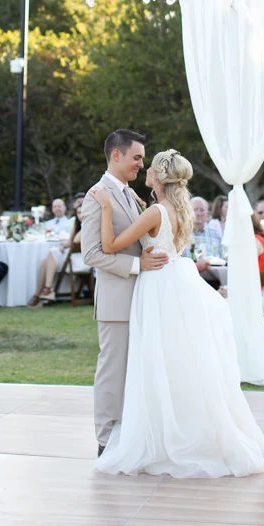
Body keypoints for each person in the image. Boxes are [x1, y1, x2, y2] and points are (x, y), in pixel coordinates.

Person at [90, 148, 264, 478]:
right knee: (178, 360)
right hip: (177, 283)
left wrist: (107, 207)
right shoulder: (174, 209)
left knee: (156, 359)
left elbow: (109, 245)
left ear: (160, 178)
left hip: (157, 288)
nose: (145, 170)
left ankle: (162, 434)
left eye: (150, 168)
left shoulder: (155, 212)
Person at [81, 129, 169, 458]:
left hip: (142, 300)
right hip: (117, 301)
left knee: (134, 373)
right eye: (136, 157)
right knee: (112, 371)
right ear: (116, 155)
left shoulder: (130, 194)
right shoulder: (97, 195)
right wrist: (138, 266)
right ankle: (105, 442)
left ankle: (129, 436)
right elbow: (91, 254)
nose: (140, 164)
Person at [28, 199, 90, 306]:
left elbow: (74, 242)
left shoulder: (88, 226)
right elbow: (70, 243)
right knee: (45, 261)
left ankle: (46, 291)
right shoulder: (76, 225)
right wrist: (63, 247)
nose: (81, 215)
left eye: (83, 212)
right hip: (70, 256)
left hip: (80, 260)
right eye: (79, 213)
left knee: (52, 253)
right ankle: (40, 293)